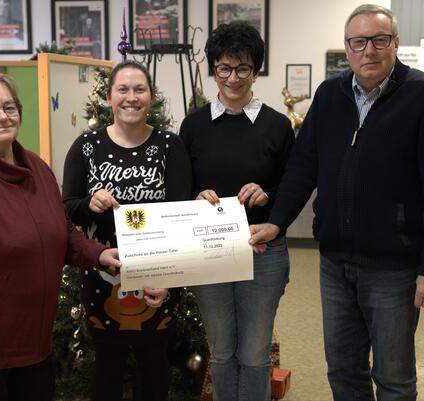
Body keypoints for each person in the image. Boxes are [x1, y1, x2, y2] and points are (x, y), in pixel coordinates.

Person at [250, 5, 424, 401]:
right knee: (344, 372)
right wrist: (277, 221)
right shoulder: (330, 95)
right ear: (347, 48)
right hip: (334, 262)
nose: (369, 50)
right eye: (359, 41)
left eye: (380, 40)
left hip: (394, 267)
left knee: (394, 379)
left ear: (394, 43)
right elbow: (303, 166)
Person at [0, 72, 120, 401]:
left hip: (32, 342)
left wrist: (97, 254)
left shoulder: (36, 168)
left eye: (9, 107)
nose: (2, 116)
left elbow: (60, 230)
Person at [62, 60, 192, 401]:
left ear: (151, 97)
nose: (130, 97)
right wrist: (90, 202)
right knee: (107, 363)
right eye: (122, 89)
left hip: (158, 275)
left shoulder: (170, 147)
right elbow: (65, 207)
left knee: (154, 363)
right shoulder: (86, 147)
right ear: (109, 97)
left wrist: (168, 276)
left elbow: (181, 215)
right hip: (102, 273)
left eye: (139, 89)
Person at [178, 21, 294, 401]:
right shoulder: (193, 126)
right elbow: (180, 186)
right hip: (209, 252)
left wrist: (267, 194)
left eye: (243, 68)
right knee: (223, 351)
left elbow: (291, 186)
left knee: (256, 352)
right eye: (224, 68)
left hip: (262, 251)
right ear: (214, 69)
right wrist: (196, 195)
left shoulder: (277, 126)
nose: (233, 77)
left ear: (256, 71)